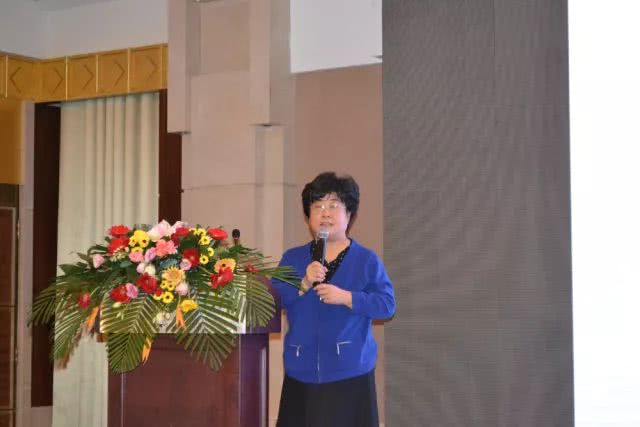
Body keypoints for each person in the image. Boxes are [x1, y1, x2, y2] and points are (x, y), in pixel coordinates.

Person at [271, 172, 396, 427]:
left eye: (333, 206)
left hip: (349, 372)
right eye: (317, 206)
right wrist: (303, 284)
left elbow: (386, 305)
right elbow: (272, 302)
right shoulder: (293, 258)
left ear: (349, 214)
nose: (325, 213)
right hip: (301, 372)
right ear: (308, 216)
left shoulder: (366, 260)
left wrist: (348, 298)